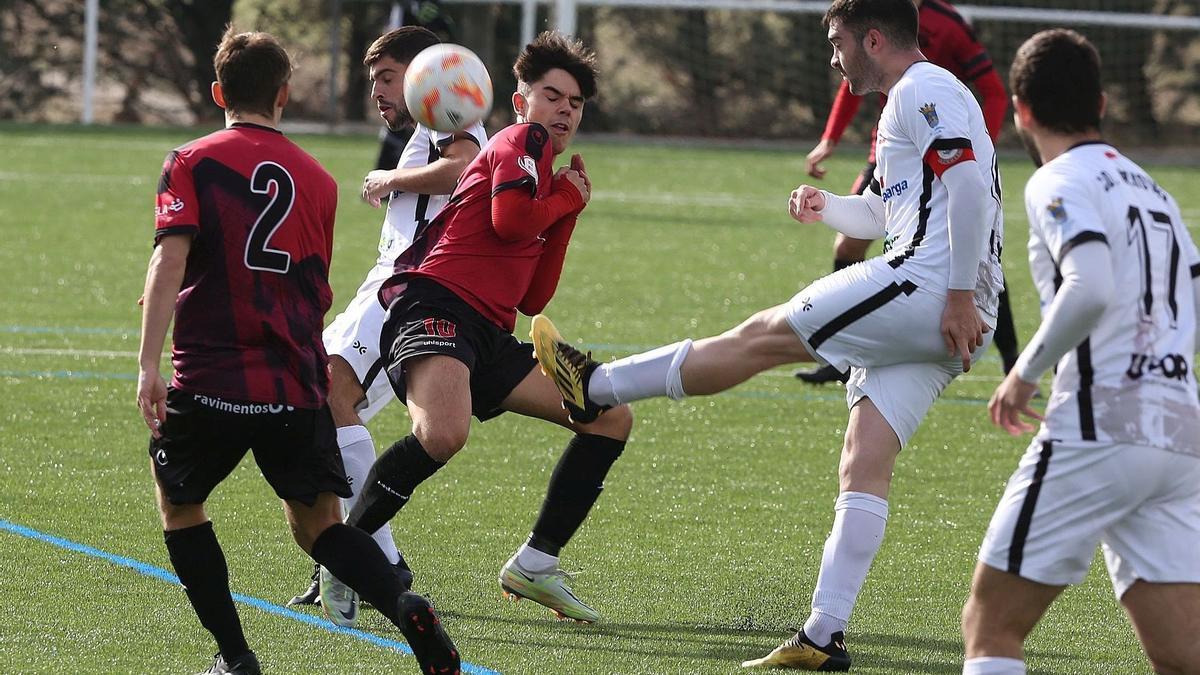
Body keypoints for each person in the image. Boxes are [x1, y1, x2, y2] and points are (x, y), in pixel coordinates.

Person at [531, 0, 1002, 668]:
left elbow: (969, 193)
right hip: (953, 309)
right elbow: (888, 208)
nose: (834, 58)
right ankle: (821, 635)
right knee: (865, 457)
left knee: (761, 336)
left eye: (839, 43)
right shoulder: (915, 98)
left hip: (931, 291)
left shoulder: (923, 88)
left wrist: (954, 296)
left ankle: (595, 386)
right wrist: (829, 207)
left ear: (873, 38)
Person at [135, 28, 459, 675]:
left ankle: (235, 657)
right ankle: (402, 603)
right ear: (284, 95)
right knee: (319, 526)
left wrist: (148, 363)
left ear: (218, 91)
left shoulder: (192, 160)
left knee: (181, 504)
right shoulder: (318, 179)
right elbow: (310, 281)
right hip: (295, 381)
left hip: (211, 376)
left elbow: (169, 261)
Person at [340, 31, 634, 625]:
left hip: (489, 332)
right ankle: (342, 555)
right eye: (552, 96)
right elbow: (508, 220)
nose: (564, 111)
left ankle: (535, 564)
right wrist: (558, 205)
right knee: (443, 434)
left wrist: (567, 212)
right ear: (521, 100)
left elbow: (532, 298)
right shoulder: (515, 140)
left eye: (575, 103)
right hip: (435, 306)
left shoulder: (549, 176)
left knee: (608, 418)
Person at [960, 29, 1200, 675]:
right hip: (1180, 433)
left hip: (1102, 424)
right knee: (1185, 656)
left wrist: (1023, 372)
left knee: (990, 625)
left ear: (1021, 109)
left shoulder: (1056, 179)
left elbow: (1090, 284)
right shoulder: (1157, 192)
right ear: (1099, 102)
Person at [285, 25, 486, 615]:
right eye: (374, 81)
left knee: (325, 393)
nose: (378, 92)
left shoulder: (448, 116)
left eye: (388, 79)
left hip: (407, 290)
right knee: (320, 408)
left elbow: (464, 168)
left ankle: (376, 562)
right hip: (391, 285)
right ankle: (363, 559)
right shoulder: (428, 124)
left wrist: (389, 178)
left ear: (423, 76)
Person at [795, 0, 1020, 385]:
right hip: (891, 147)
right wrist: (831, 141)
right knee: (848, 245)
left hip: (939, 143)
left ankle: (1011, 357)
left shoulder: (941, 36)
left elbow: (993, 94)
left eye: (836, 45)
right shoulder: (869, 19)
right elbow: (855, 79)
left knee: (965, 244)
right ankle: (843, 350)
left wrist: (980, 144)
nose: (834, 58)